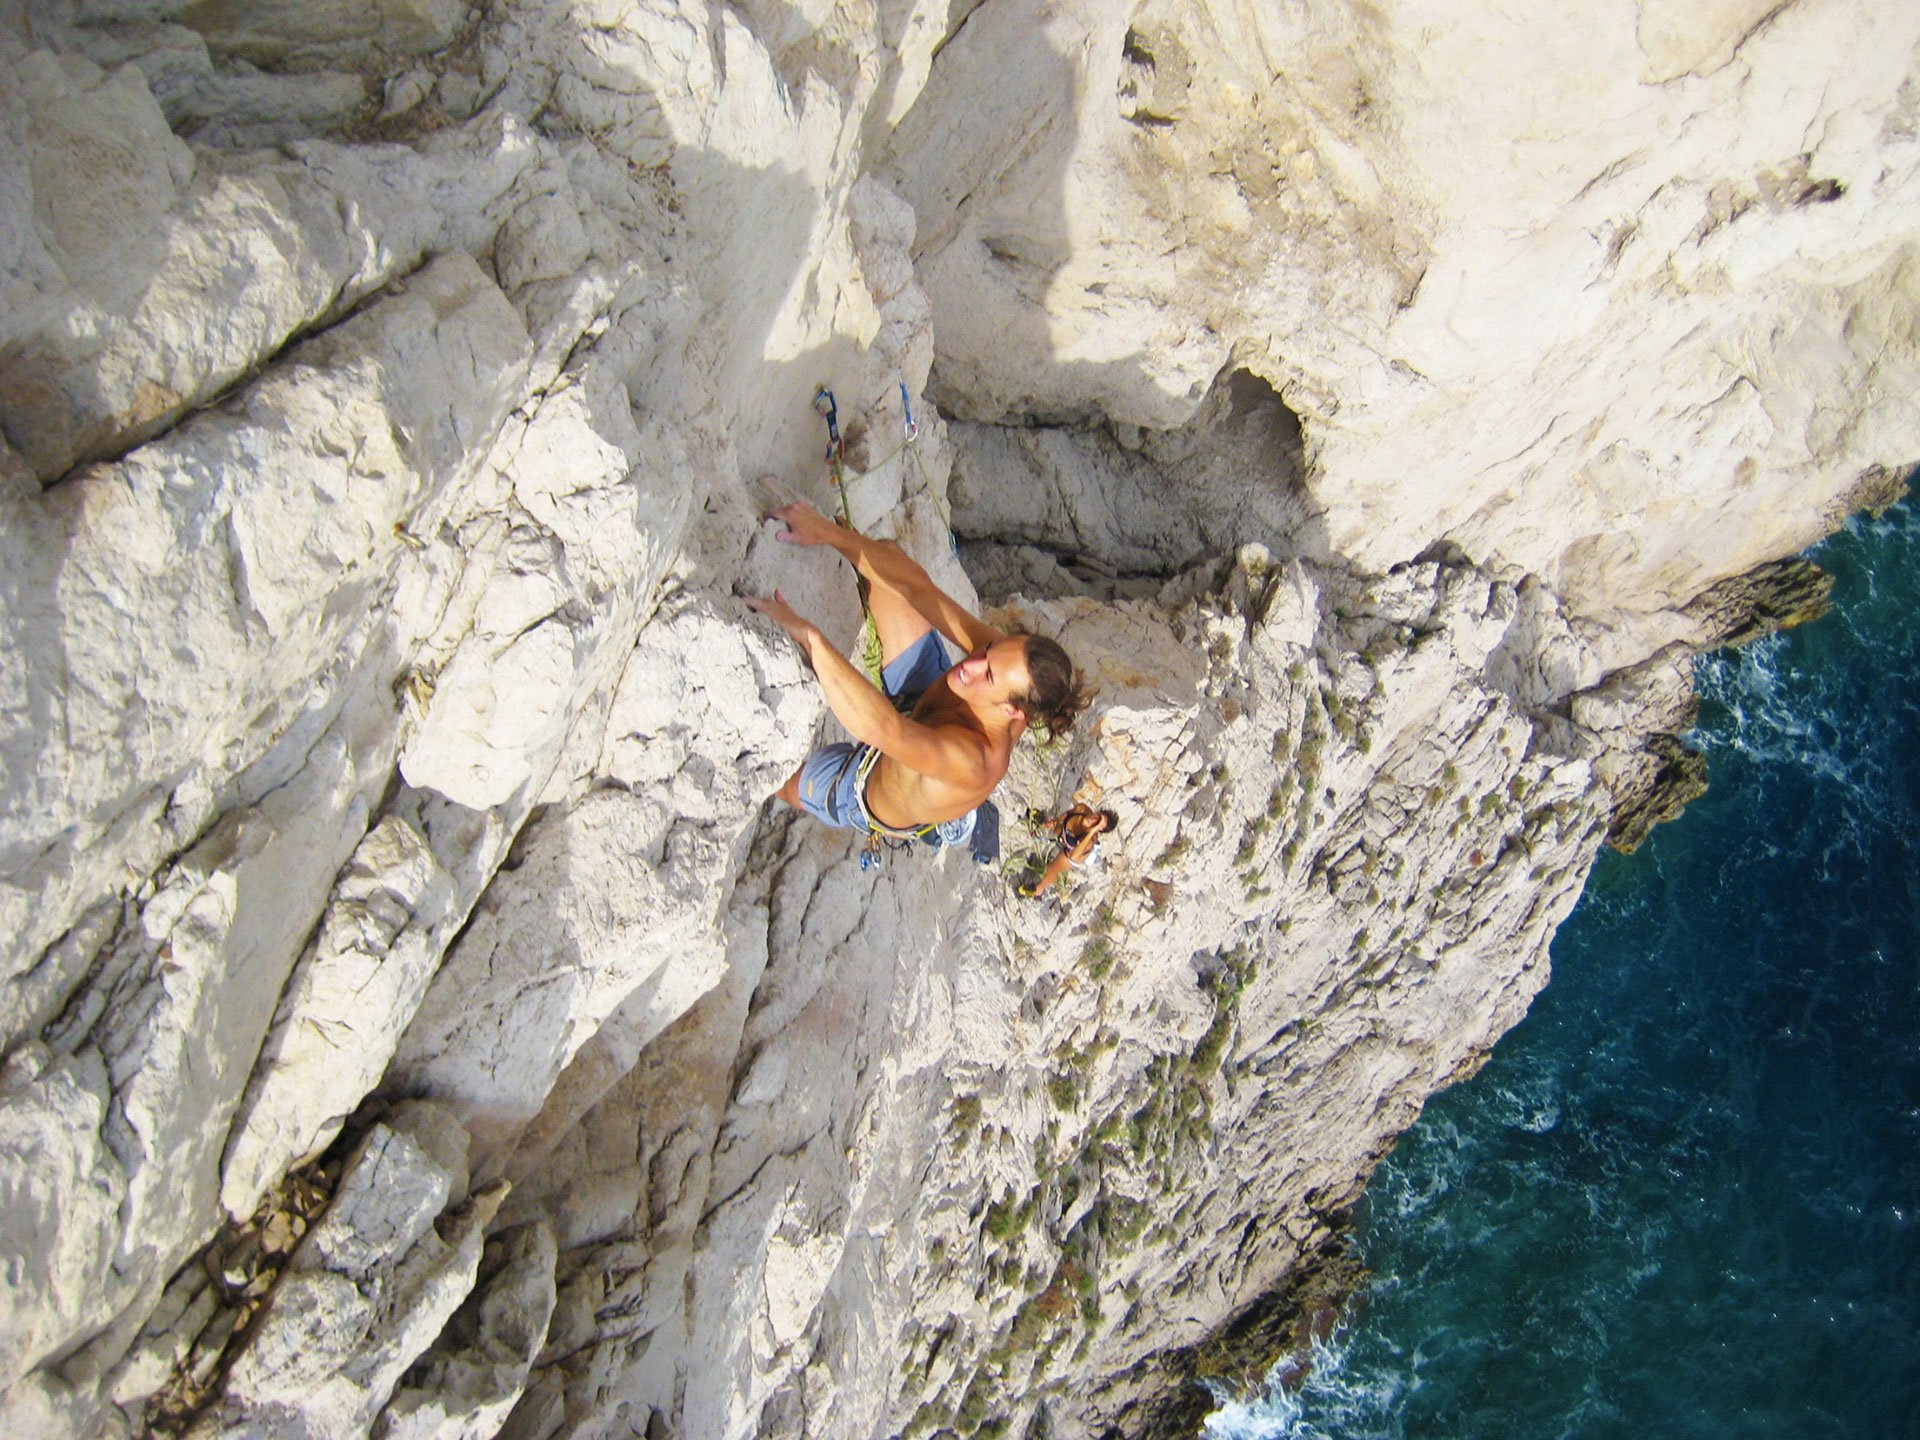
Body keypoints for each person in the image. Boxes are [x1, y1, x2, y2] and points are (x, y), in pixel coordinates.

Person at [746, 499, 1087, 840]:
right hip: (919, 701)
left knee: (781, 779)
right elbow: (917, 588)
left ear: (1014, 711)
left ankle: (792, 791)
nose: (972, 663)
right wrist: (828, 534)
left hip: (863, 786)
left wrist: (811, 639)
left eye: (989, 675)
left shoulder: (974, 762)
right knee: (887, 558)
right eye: (987, 650)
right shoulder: (999, 664)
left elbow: (882, 729)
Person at [1018, 804, 1116, 898]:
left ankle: (1039, 889)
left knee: (1052, 869)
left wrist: (1091, 831)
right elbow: (1068, 814)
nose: (1094, 820)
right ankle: (1042, 822)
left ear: (1098, 829)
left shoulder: (1090, 841)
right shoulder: (1082, 809)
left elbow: (1074, 855)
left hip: (1075, 854)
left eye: (1098, 823)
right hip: (1065, 834)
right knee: (1054, 828)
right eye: (1098, 817)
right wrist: (1055, 821)